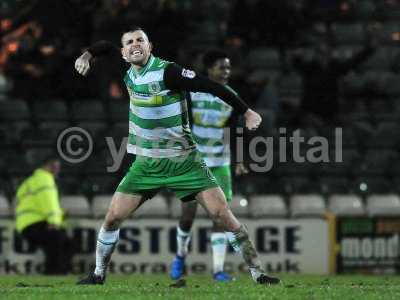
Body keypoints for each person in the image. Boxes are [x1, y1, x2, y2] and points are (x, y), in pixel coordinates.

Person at [74, 27, 280, 285]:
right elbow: (104, 45)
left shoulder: (168, 72)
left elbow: (209, 85)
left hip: (185, 162)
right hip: (146, 163)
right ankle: (98, 274)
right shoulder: (126, 68)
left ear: (151, 47)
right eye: (129, 42)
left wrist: (246, 111)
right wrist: (87, 56)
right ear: (124, 53)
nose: (135, 44)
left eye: (141, 40)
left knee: (222, 215)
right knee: (113, 217)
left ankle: (258, 273)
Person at [169, 49, 248, 282]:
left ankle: (218, 270)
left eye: (228, 67)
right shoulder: (193, 93)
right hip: (193, 163)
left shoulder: (231, 95)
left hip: (220, 163)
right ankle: (180, 257)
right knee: (187, 215)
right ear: (210, 69)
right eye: (222, 67)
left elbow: (237, 130)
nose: (226, 72)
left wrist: (240, 159)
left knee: (220, 217)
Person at [15, 154, 74, 275]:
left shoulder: (29, 181)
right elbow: (49, 202)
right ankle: (56, 273)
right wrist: (54, 222)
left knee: (60, 242)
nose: (58, 170)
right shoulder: (45, 179)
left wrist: (61, 213)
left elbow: (33, 204)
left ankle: (57, 272)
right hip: (35, 222)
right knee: (59, 240)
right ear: (49, 166)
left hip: (25, 224)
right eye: (56, 167)